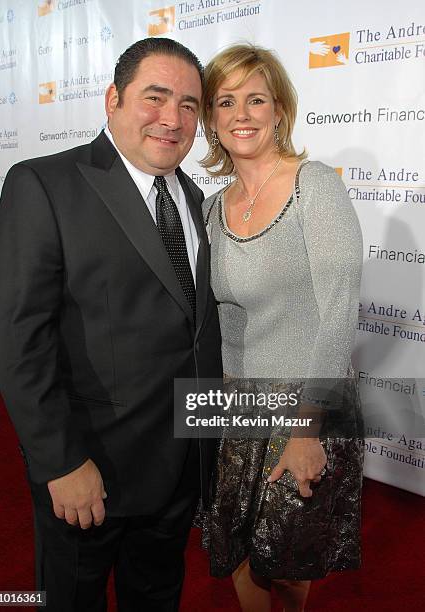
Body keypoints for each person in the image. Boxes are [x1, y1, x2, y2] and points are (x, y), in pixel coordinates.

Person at [0, 37, 222, 612]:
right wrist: (60, 461)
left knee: (157, 597)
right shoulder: (44, 183)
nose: (173, 119)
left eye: (189, 105)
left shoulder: (197, 200)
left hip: (178, 467)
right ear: (113, 99)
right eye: (155, 97)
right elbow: (19, 338)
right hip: (89, 471)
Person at [199, 44, 363, 611]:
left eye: (255, 99)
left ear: (279, 111)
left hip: (305, 404)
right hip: (237, 405)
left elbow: (340, 310)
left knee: (289, 563)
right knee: (240, 549)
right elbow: (220, 320)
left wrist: (306, 431)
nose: (241, 113)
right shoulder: (211, 209)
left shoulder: (313, 186)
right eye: (225, 102)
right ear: (212, 120)